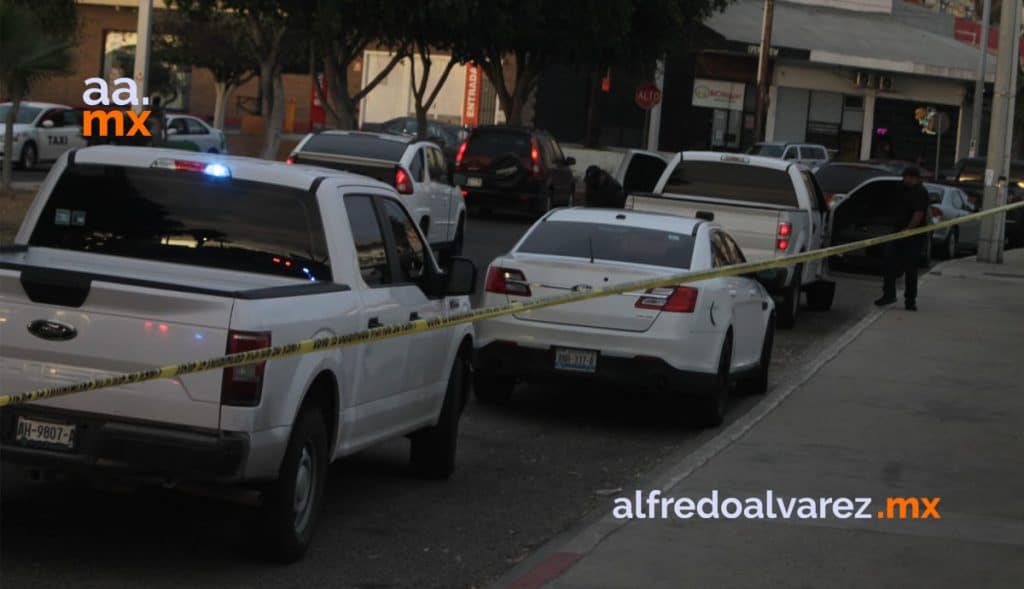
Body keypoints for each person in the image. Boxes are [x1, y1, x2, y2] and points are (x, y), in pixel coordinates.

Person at [875, 167, 929, 311]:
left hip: (913, 237)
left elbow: (918, 214)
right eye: (905, 177)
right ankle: (889, 295)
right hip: (897, 233)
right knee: (889, 263)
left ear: (916, 178)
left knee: (910, 269)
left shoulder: (920, 192)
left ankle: (910, 301)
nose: (906, 180)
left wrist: (908, 230)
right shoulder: (901, 189)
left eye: (909, 178)